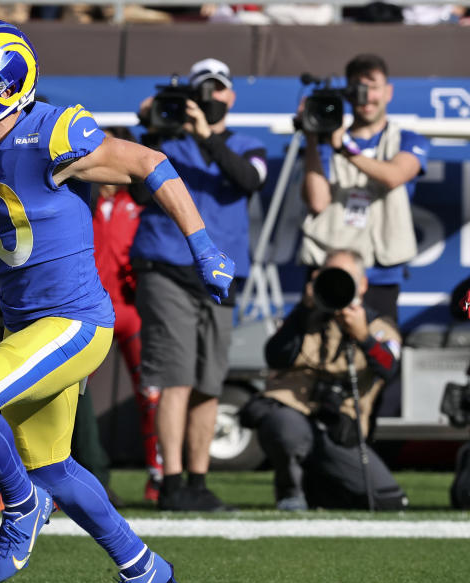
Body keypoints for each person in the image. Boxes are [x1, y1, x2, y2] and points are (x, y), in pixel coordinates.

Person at [0, 19, 236, 583]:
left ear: (6, 85)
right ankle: (140, 567)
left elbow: (150, 163)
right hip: (23, 326)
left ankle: (22, 505)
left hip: (76, 322)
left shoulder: (53, 133)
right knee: (53, 464)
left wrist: (203, 245)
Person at [130, 58, 267, 511]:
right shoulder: (165, 146)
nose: (209, 99)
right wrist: (150, 127)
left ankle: (198, 481)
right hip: (167, 269)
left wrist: (205, 135)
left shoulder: (249, 146)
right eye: (201, 90)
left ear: (229, 97)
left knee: (209, 381)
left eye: (217, 90)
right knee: (176, 378)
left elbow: (247, 180)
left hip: (220, 277)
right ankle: (170, 483)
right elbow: (137, 190)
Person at [239, 249, 407, 511]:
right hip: (296, 415)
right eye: (330, 276)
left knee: (388, 500)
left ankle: (322, 491)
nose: (336, 283)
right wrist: (303, 310)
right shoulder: (305, 317)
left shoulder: (377, 326)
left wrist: (363, 336)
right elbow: (275, 356)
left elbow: (389, 368)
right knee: (285, 426)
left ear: (362, 285)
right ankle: (290, 492)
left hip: (340, 429)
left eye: (344, 277)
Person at [300, 53, 428, 323]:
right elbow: (317, 202)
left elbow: (393, 176)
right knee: (317, 357)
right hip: (329, 270)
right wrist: (312, 138)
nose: (366, 97)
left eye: (373, 86)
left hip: (381, 272)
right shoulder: (326, 141)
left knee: (380, 356)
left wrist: (344, 149)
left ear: (389, 92)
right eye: (358, 87)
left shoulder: (407, 139)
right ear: (347, 93)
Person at [91, 127, 163, 502]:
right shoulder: (78, 199)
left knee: (152, 395)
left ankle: (159, 475)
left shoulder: (141, 204)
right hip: (90, 312)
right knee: (68, 393)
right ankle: (74, 477)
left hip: (132, 313)